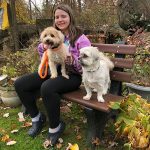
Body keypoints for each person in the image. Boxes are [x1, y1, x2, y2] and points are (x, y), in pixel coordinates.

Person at [14, 4, 91, 146]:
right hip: (52, 71)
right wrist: (43, 47)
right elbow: (45, 56)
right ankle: (37, 118)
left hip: (73, 76)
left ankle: (55, 127)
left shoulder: (81, 38)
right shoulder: (51, 33)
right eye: (57, 17)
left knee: (47, 87)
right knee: (20, 84)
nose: (60, 19)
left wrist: (73, 61)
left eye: (63, 16)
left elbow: (87, 66)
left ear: (70, 17)